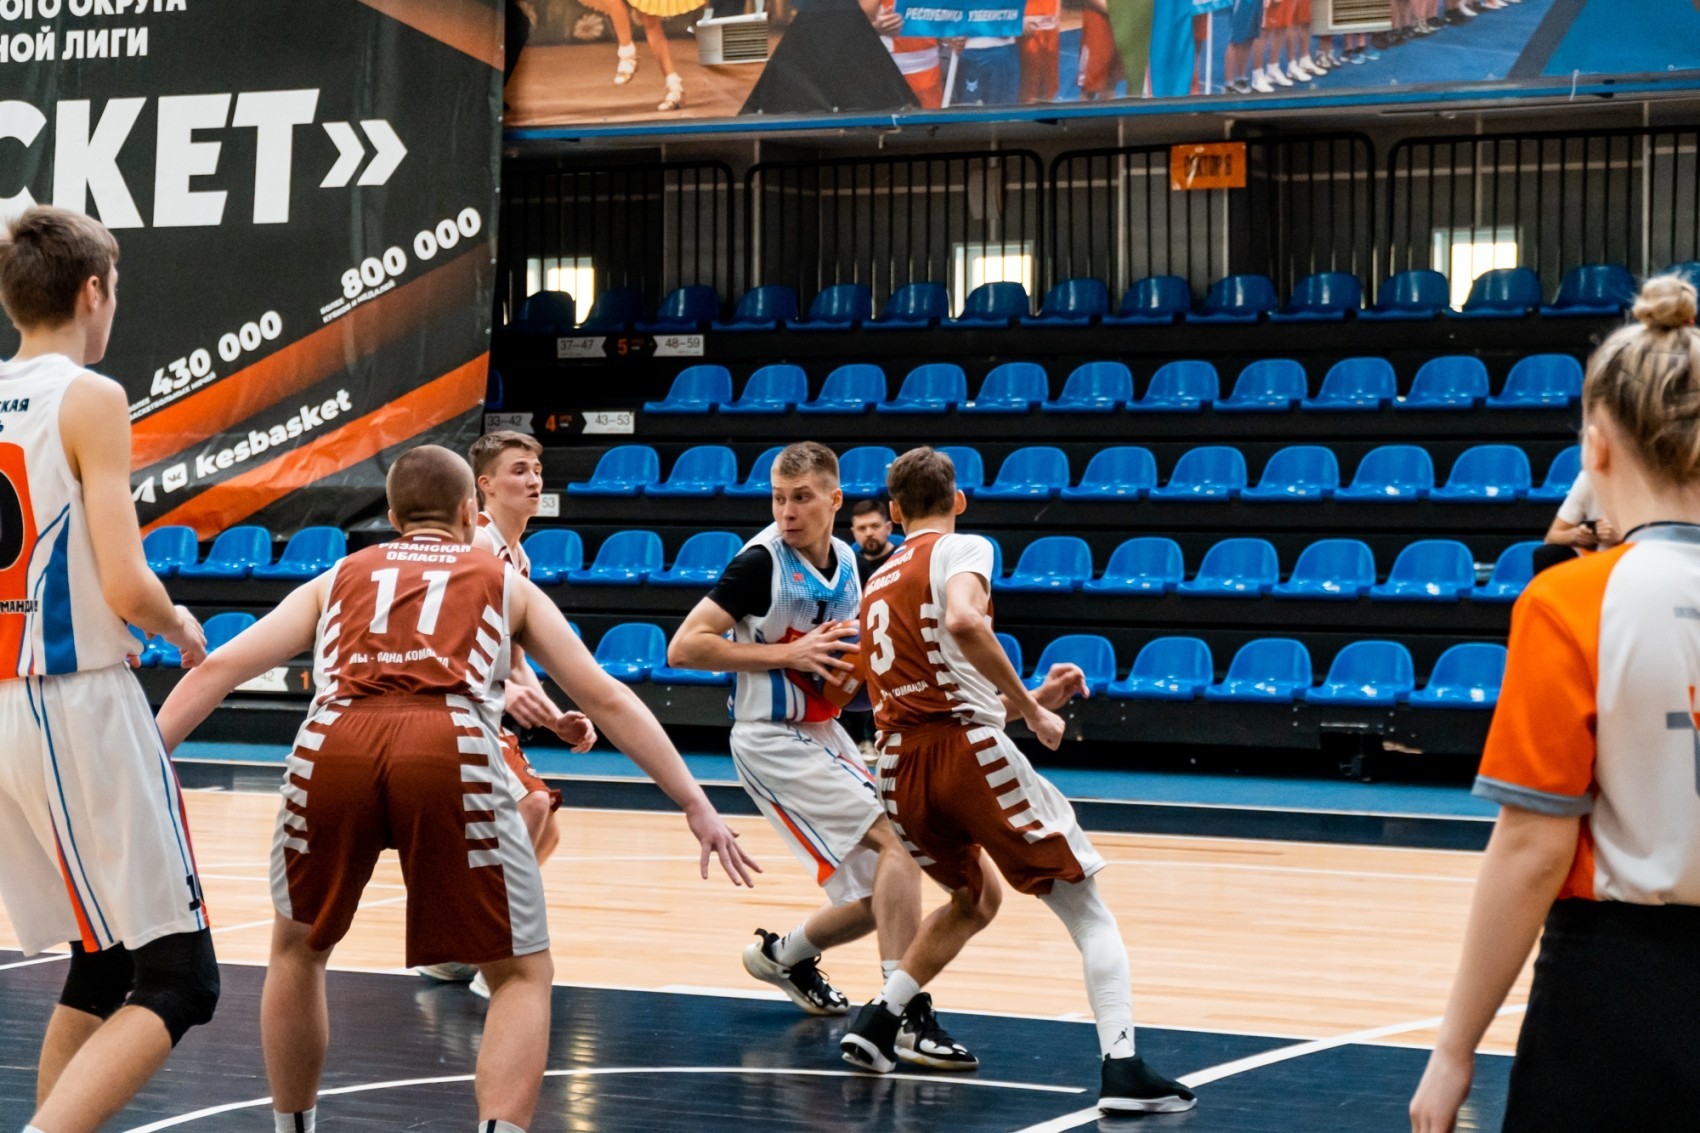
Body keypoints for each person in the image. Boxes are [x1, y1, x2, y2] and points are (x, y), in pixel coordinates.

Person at [156, 445, 758, 1133]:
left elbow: (218, 669)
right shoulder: (504, 580)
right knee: (520, 973)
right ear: (470, 511)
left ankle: (292, 1127)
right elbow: (606, 697)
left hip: (333, 741)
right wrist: (695, 801)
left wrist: (148, 763)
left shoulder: (338, 575)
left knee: (297, 951)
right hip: (446, 743)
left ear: (392, 517)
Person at [1409, 275, 1700, 1133]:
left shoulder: (1571, 601)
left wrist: (1454, 1048)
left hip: (1616, 996)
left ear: (1596, 445)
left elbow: (1534, 846)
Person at [838, 446, 1196, 1116]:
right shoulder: (962, 546)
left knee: (974, 898)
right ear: (958, 500)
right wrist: (1033, 710)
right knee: (1086, 904)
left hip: (898, 767)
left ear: (894, 512)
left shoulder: (877, 579)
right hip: (960, 752)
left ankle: (879, 1020)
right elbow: (964, 620)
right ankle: (1122, 1067)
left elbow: (933, 693)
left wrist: (1031, 698)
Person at [0, 206, 214, 1133]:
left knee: (103, 959)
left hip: (7, 703)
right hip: (76, 701)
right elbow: (127, 582)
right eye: (114, 288)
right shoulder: (90, 396)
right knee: (181, 976)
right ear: (93, 291)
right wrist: (179, 622)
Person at [667, 441, 975, 1070]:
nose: (787, 511)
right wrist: (788, 654)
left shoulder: (848, 560)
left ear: (834, 500)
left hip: (823, 729)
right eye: (778, 498)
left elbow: (844, 660)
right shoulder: (759, 564)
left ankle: (782, 957)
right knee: (902, 842)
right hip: (769, 737)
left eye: (801, 498)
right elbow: (685, 646)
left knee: (879, 896)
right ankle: (903, 1013)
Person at [414, 430, 598, 995]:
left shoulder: (517, 556)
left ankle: (453, 948)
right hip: (445, 705)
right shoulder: (476, 546)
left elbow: (513, 656)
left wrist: (551, 714)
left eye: (537, 469)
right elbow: (437, 633)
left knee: (546, 833)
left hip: (480, 709)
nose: (533, 479)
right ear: (485, 486)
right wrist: (502, 692)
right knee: (533, 803)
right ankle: (495, 949)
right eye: (519, 470)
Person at [1533, 469, 1620, 575]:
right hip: (1597, 560)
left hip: (1630, 559)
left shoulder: (1640, 478)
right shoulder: (1588, 478)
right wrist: (1577, 535)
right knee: (1547, 554)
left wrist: (1620, 536)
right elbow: (1551, 537)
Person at [874, 0, 945, 108]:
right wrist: (876, 29)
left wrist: (952, 34)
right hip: (893, 80)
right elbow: (858, 24)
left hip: (930, 76)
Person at [1017, 0, 1061, 103]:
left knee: (1048, 87)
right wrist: (1018, 19)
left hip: (1050, 26)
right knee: (1028, 87)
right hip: (1028, 25)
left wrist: (1057, 13)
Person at [850, 498, 898, 588]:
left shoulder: (904, 559)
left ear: (888, 528)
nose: (869, 533)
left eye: (875, 526)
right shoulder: (849, 568)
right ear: (854, 533)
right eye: (862, 528)